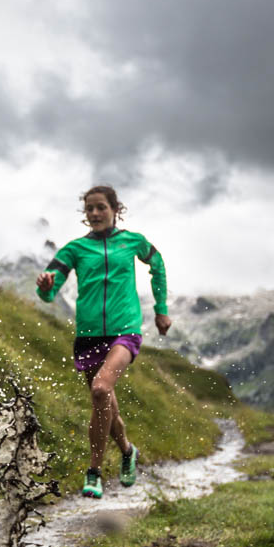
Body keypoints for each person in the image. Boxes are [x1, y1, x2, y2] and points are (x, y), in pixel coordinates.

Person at [36, 185, 170, 499]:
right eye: (90, 209)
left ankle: (94, 472)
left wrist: (161, 309)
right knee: (105, 404)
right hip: (89, 335)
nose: (95, 213)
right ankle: (127, 451)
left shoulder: (133, 241)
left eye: (101, 207)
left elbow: (158, 265)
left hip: (125, 330)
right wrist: (45, 285)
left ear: (115, 210)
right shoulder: (75, 249)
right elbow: (48, 293)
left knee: (100, 389)